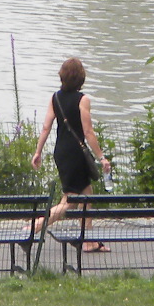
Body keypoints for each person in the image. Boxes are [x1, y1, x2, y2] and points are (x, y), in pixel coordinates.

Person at [31, 58, 110, 247]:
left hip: (61, 151)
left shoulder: (55, 98)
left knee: (87, 194)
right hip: (76, 153)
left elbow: (46, 127)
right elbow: (88, 132)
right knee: (70, 201)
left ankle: (88, 240)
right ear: (81, 78)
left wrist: (38, 152)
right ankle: (33, 227)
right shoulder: (83, 100)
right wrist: (101, 157)